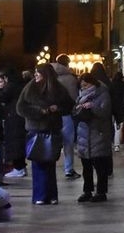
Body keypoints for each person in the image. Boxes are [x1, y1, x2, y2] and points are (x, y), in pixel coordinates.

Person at [16, 63, 71, 206]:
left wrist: (57, 108)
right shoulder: (30, 88)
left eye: (38, 73)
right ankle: (40, 195)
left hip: (52, 130)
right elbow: (21, 108)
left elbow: (69, 105)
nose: (35, 75)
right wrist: (40, 111)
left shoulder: (58, 89)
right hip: (36, 130)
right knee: (38, 163)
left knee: (50, 164)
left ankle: (52, 195)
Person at [73, 72, 112, 203]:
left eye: (86, 85)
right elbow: (74, 111)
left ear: (93, 83)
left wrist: (93, 107)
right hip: (84, 134)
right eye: (82, 86)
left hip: (98, 133)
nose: (84, 88)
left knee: (100, 166)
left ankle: (101, 192)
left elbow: (105, 112)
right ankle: (87, 191)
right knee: (86, 167)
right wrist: (79, 108)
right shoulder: (80, 96)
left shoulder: (103, 94)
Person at [52, 55, 81, 181]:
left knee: (51, 142)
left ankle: (50, 166)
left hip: (52, 114)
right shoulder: (71, 78)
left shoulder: (50, 76)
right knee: (68, 143)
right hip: (66, 114)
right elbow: (75, 98)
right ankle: (68, 169)